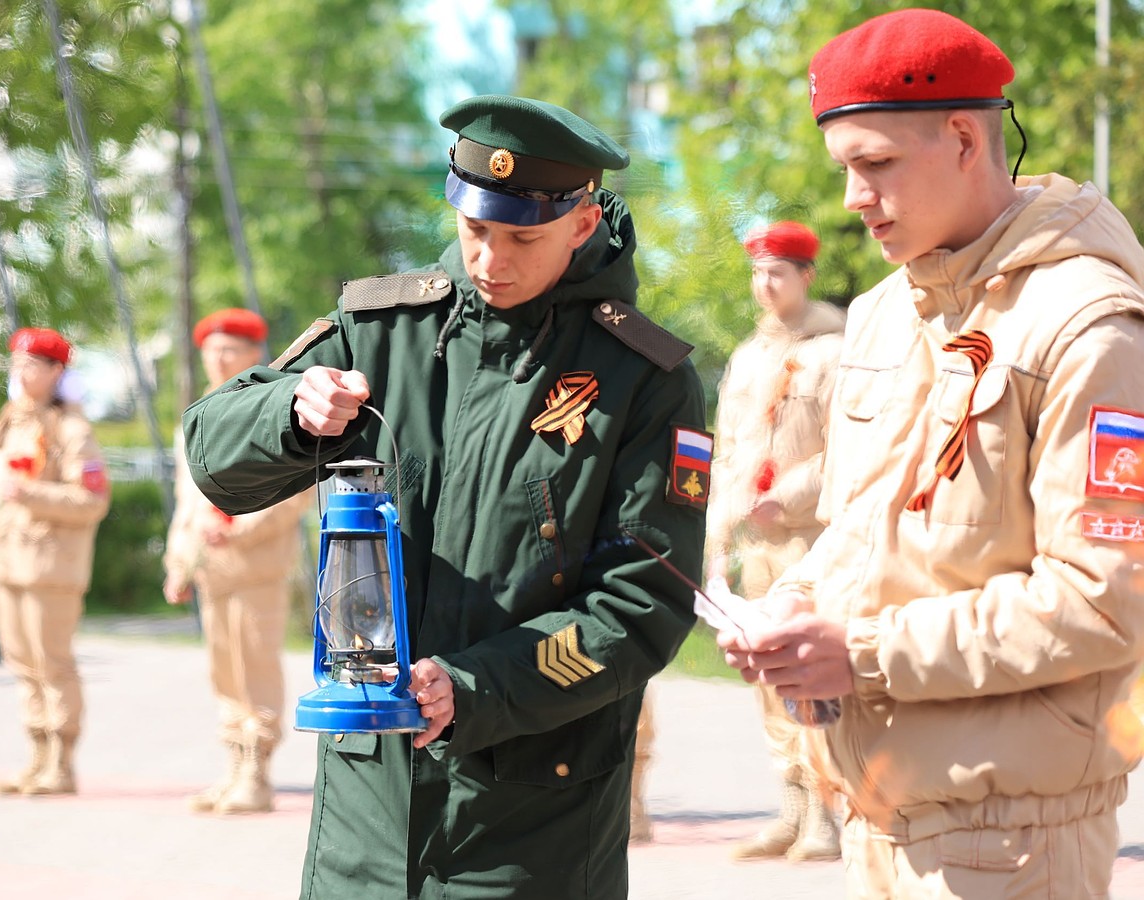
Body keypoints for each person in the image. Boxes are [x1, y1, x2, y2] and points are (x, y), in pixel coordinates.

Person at [181, 95, 708, 899]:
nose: (489, 260)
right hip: (367, 812)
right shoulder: (382, 330)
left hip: (531, 824)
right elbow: (211, 453)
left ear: (581, 222)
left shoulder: (643, 380)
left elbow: (643, 605)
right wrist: (287, 413)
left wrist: (476, 687)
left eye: (522, 237)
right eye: (475, 230)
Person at [719, 9, 1144, 897]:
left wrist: (861, 652)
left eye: (875, 165)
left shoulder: (1087, 325)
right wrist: (793, 608)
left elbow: (1107, 601)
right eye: (845, 170)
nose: (851, 200)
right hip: (876, 818)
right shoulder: (882, 312)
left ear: (962, 137)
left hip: (1016, 842)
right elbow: (853, 528)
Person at [704, 221, 844, 862]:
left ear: (805, 276)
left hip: (810, 543)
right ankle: (787, 809)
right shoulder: (747, 356)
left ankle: (824, 814)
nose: (765, 285)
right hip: (754, 549)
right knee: (767, 683)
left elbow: (848, 453)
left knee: (809, 679)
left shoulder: (836, 352)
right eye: (758, 273)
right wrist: (719, 537)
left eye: (778, 273)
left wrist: (783, 499)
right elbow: (728, 452)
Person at [163, 308, 312, 814]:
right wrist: (178, 562)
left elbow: (294, 492)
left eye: (231, 349)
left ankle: (258, 774)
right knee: (224, 672)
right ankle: (233, 769)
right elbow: (187, 503)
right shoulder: (201, 412)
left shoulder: (269, 404)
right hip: (212, 568)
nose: (218, 358)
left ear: (255, 354)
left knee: (255, 667)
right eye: (211, 349)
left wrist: (236, 528)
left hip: (255, 565)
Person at [0, 327, 110, 796]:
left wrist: (32, 494)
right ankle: (36, 756)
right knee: (22, 663)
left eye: (34, 366)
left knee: (52, 663)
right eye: (17, 364)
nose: (22, 373)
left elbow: (92, 499)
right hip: (7, 563)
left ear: (58, 372)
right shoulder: (9, 423)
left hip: (50, 568)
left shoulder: (71, 429)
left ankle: (61, 762)